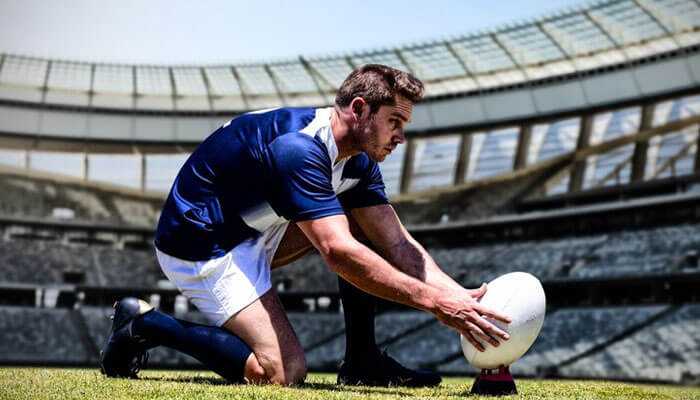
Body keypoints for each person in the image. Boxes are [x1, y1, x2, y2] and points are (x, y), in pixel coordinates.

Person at [99, 64, 511, 386]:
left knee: (362, 223)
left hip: (257, 226)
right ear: (359, 110)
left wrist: (463, 299)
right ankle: (144, 323)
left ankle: (363, 361)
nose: (401, 136)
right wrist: (436, 304)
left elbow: (398, 243)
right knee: (280, 374)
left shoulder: (360, 160)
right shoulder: (299, 149)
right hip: (201, 241)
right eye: (395, 122)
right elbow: (338, 253)